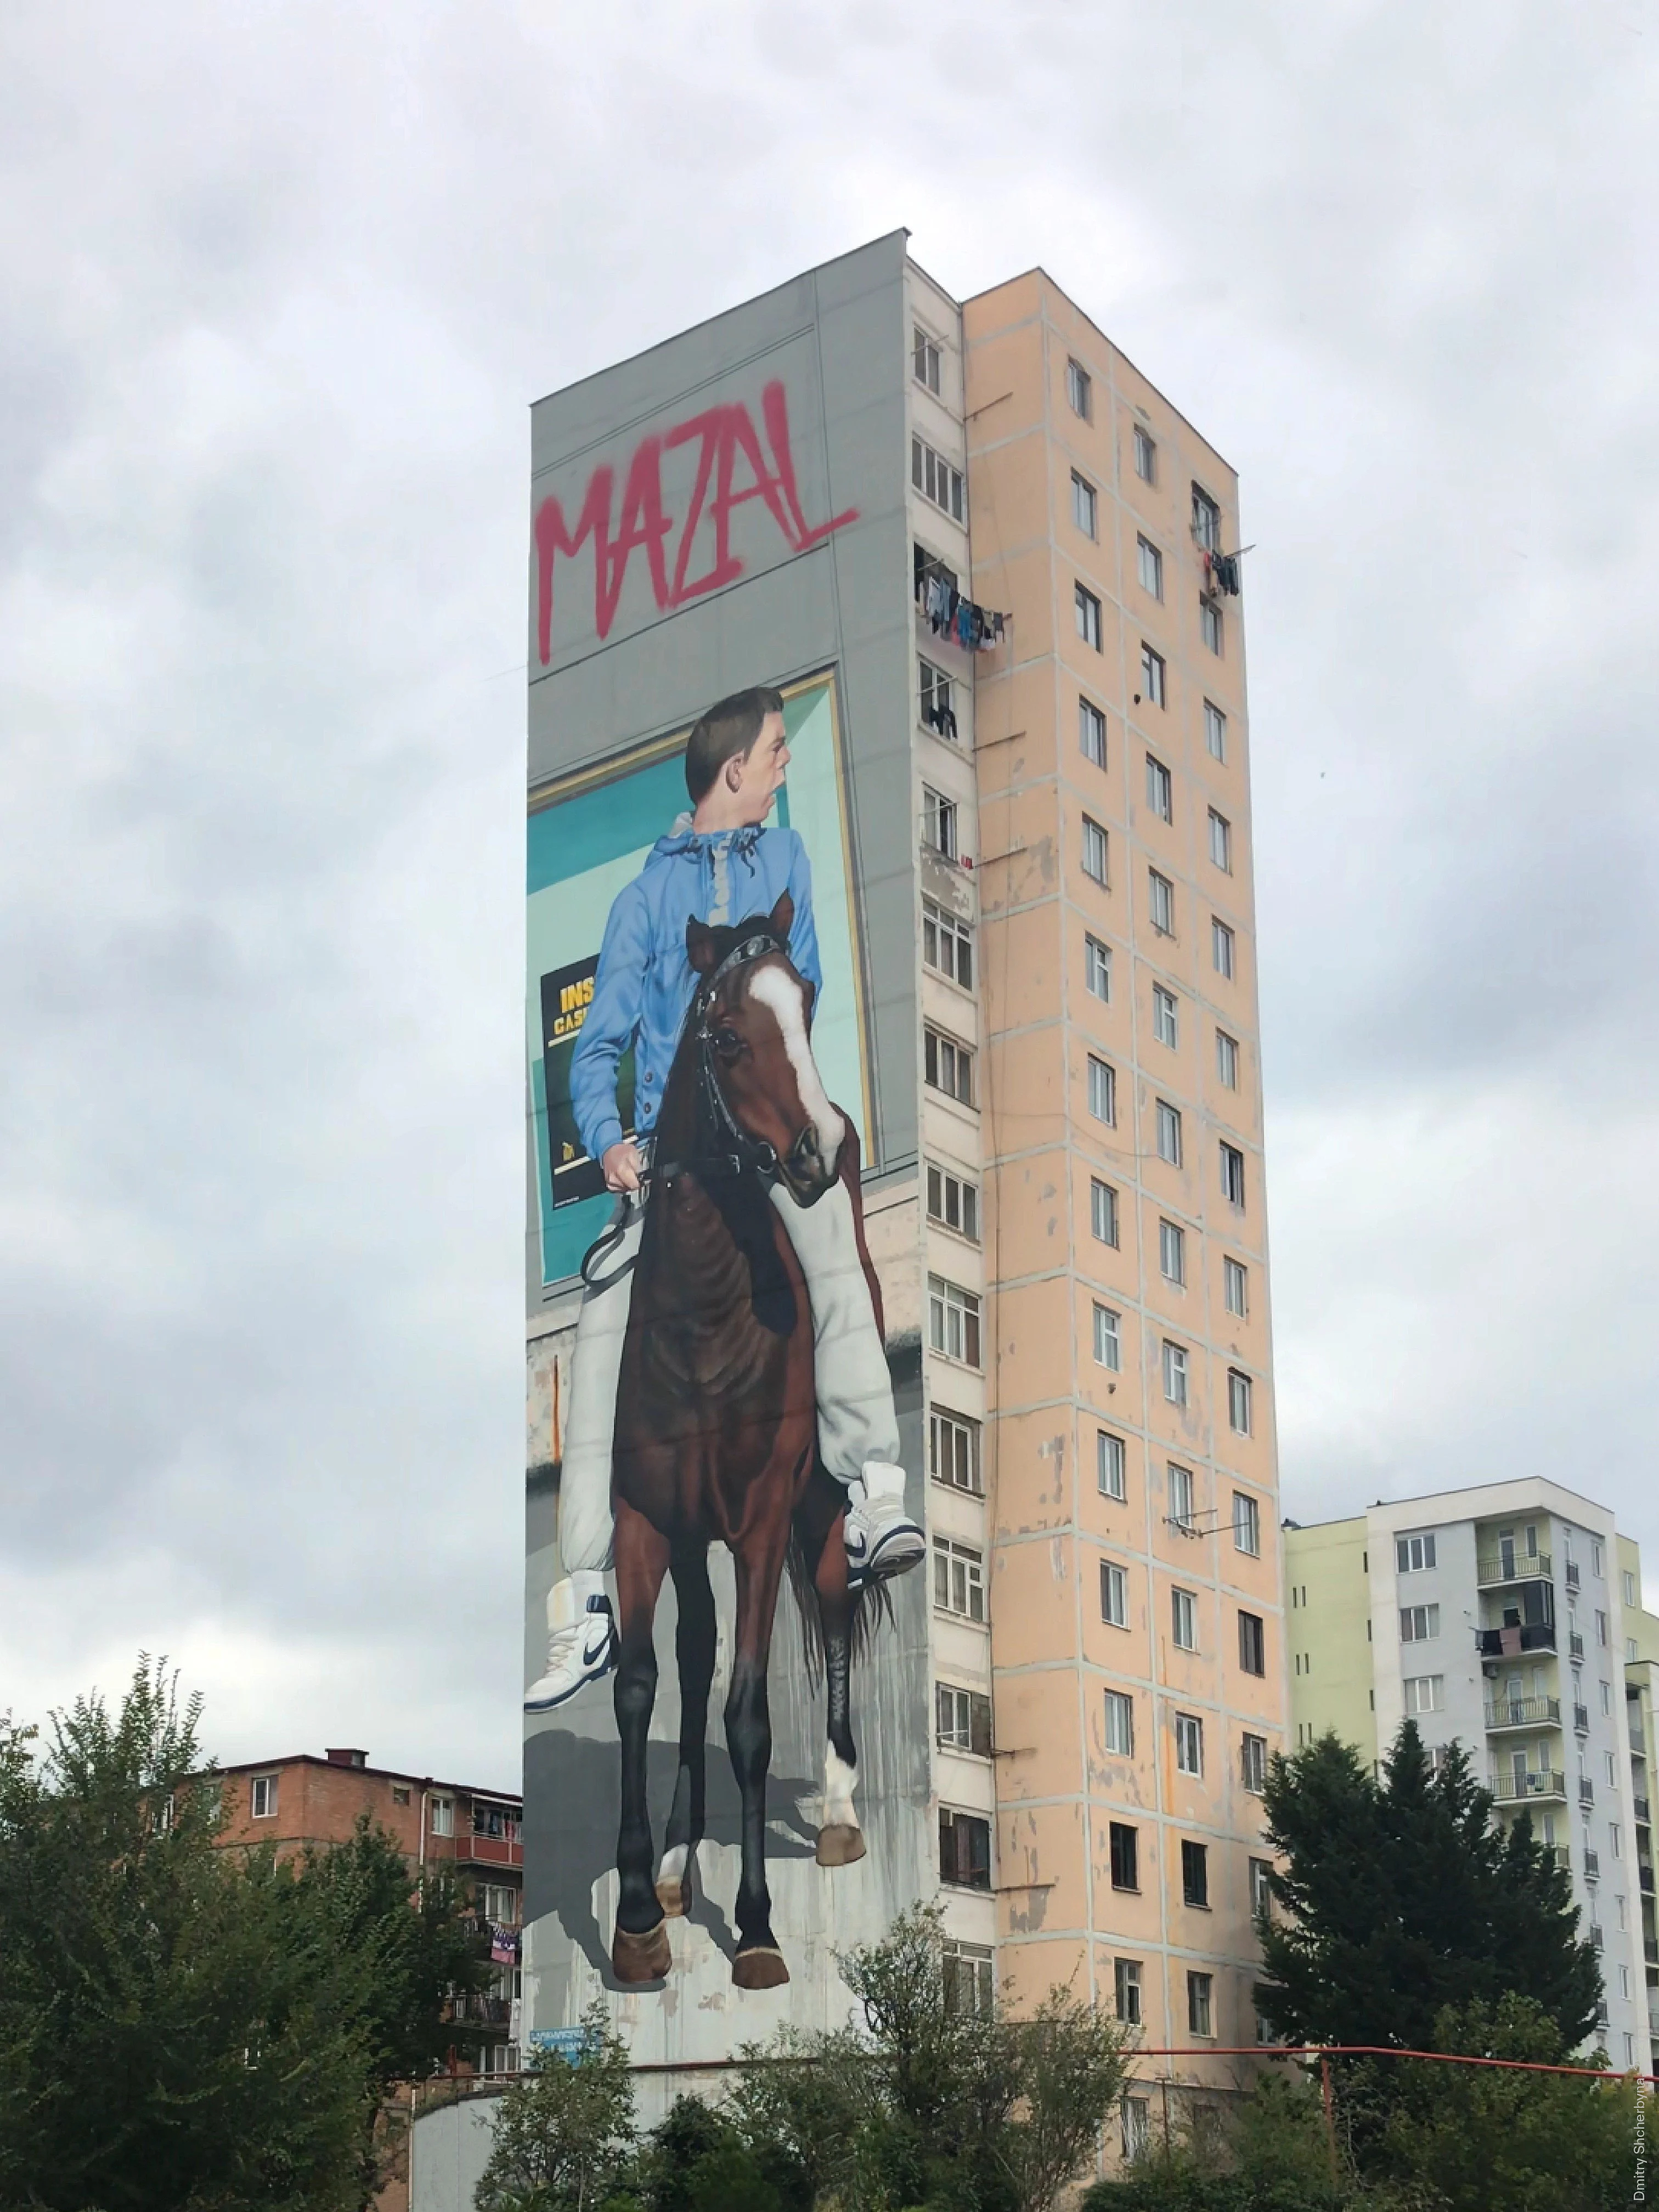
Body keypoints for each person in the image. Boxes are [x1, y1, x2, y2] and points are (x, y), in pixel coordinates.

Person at [525, 687, 925, 1712]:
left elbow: (805, 993)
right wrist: (611, 1144)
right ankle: (589, 1600)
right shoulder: (642, 902)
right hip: (674, 1161)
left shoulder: (786, 859)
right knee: (601, 1324)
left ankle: (873, 1494)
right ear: (733, 769)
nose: (786, 765)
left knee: (835, 1253)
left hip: (767, 1129)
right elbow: (597, 1051)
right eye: (776, 752)